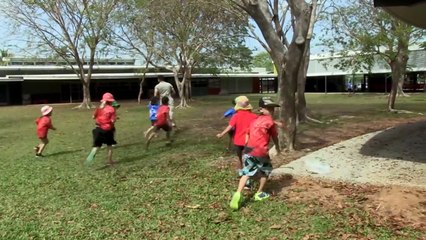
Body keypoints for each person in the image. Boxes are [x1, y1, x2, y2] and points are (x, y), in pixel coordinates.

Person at [229, 97, 282, 210]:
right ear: (261, 109)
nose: (272, 111)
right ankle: (259, 193)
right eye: (269, 108)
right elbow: (274, 136)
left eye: (273, 108)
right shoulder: (270, 122)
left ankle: (238, 193)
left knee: (246, 172)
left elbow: (247, 133)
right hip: (260, 150)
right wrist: (277, 147)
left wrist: (248, 144)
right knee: (265, 170)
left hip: (249, 150)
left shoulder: (254, 121)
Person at [216, 96, 257, 170]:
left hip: (238, 141)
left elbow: (230, 126)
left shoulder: (236, 116)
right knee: (249, 157)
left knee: (239, 156)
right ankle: (248, 171)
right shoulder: (254, 116)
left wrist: (221, 134)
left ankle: (240, 169)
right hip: (250, 141)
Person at [86, 92, 117, 165]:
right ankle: (110, 161)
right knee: (110, 146)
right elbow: (113, 121)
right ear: (111, 101)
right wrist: (114, 119)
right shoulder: (112, 109)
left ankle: (89, 159)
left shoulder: (99, 108)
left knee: (96, 147)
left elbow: (93, 117)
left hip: (98, 129)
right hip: (108, 131)